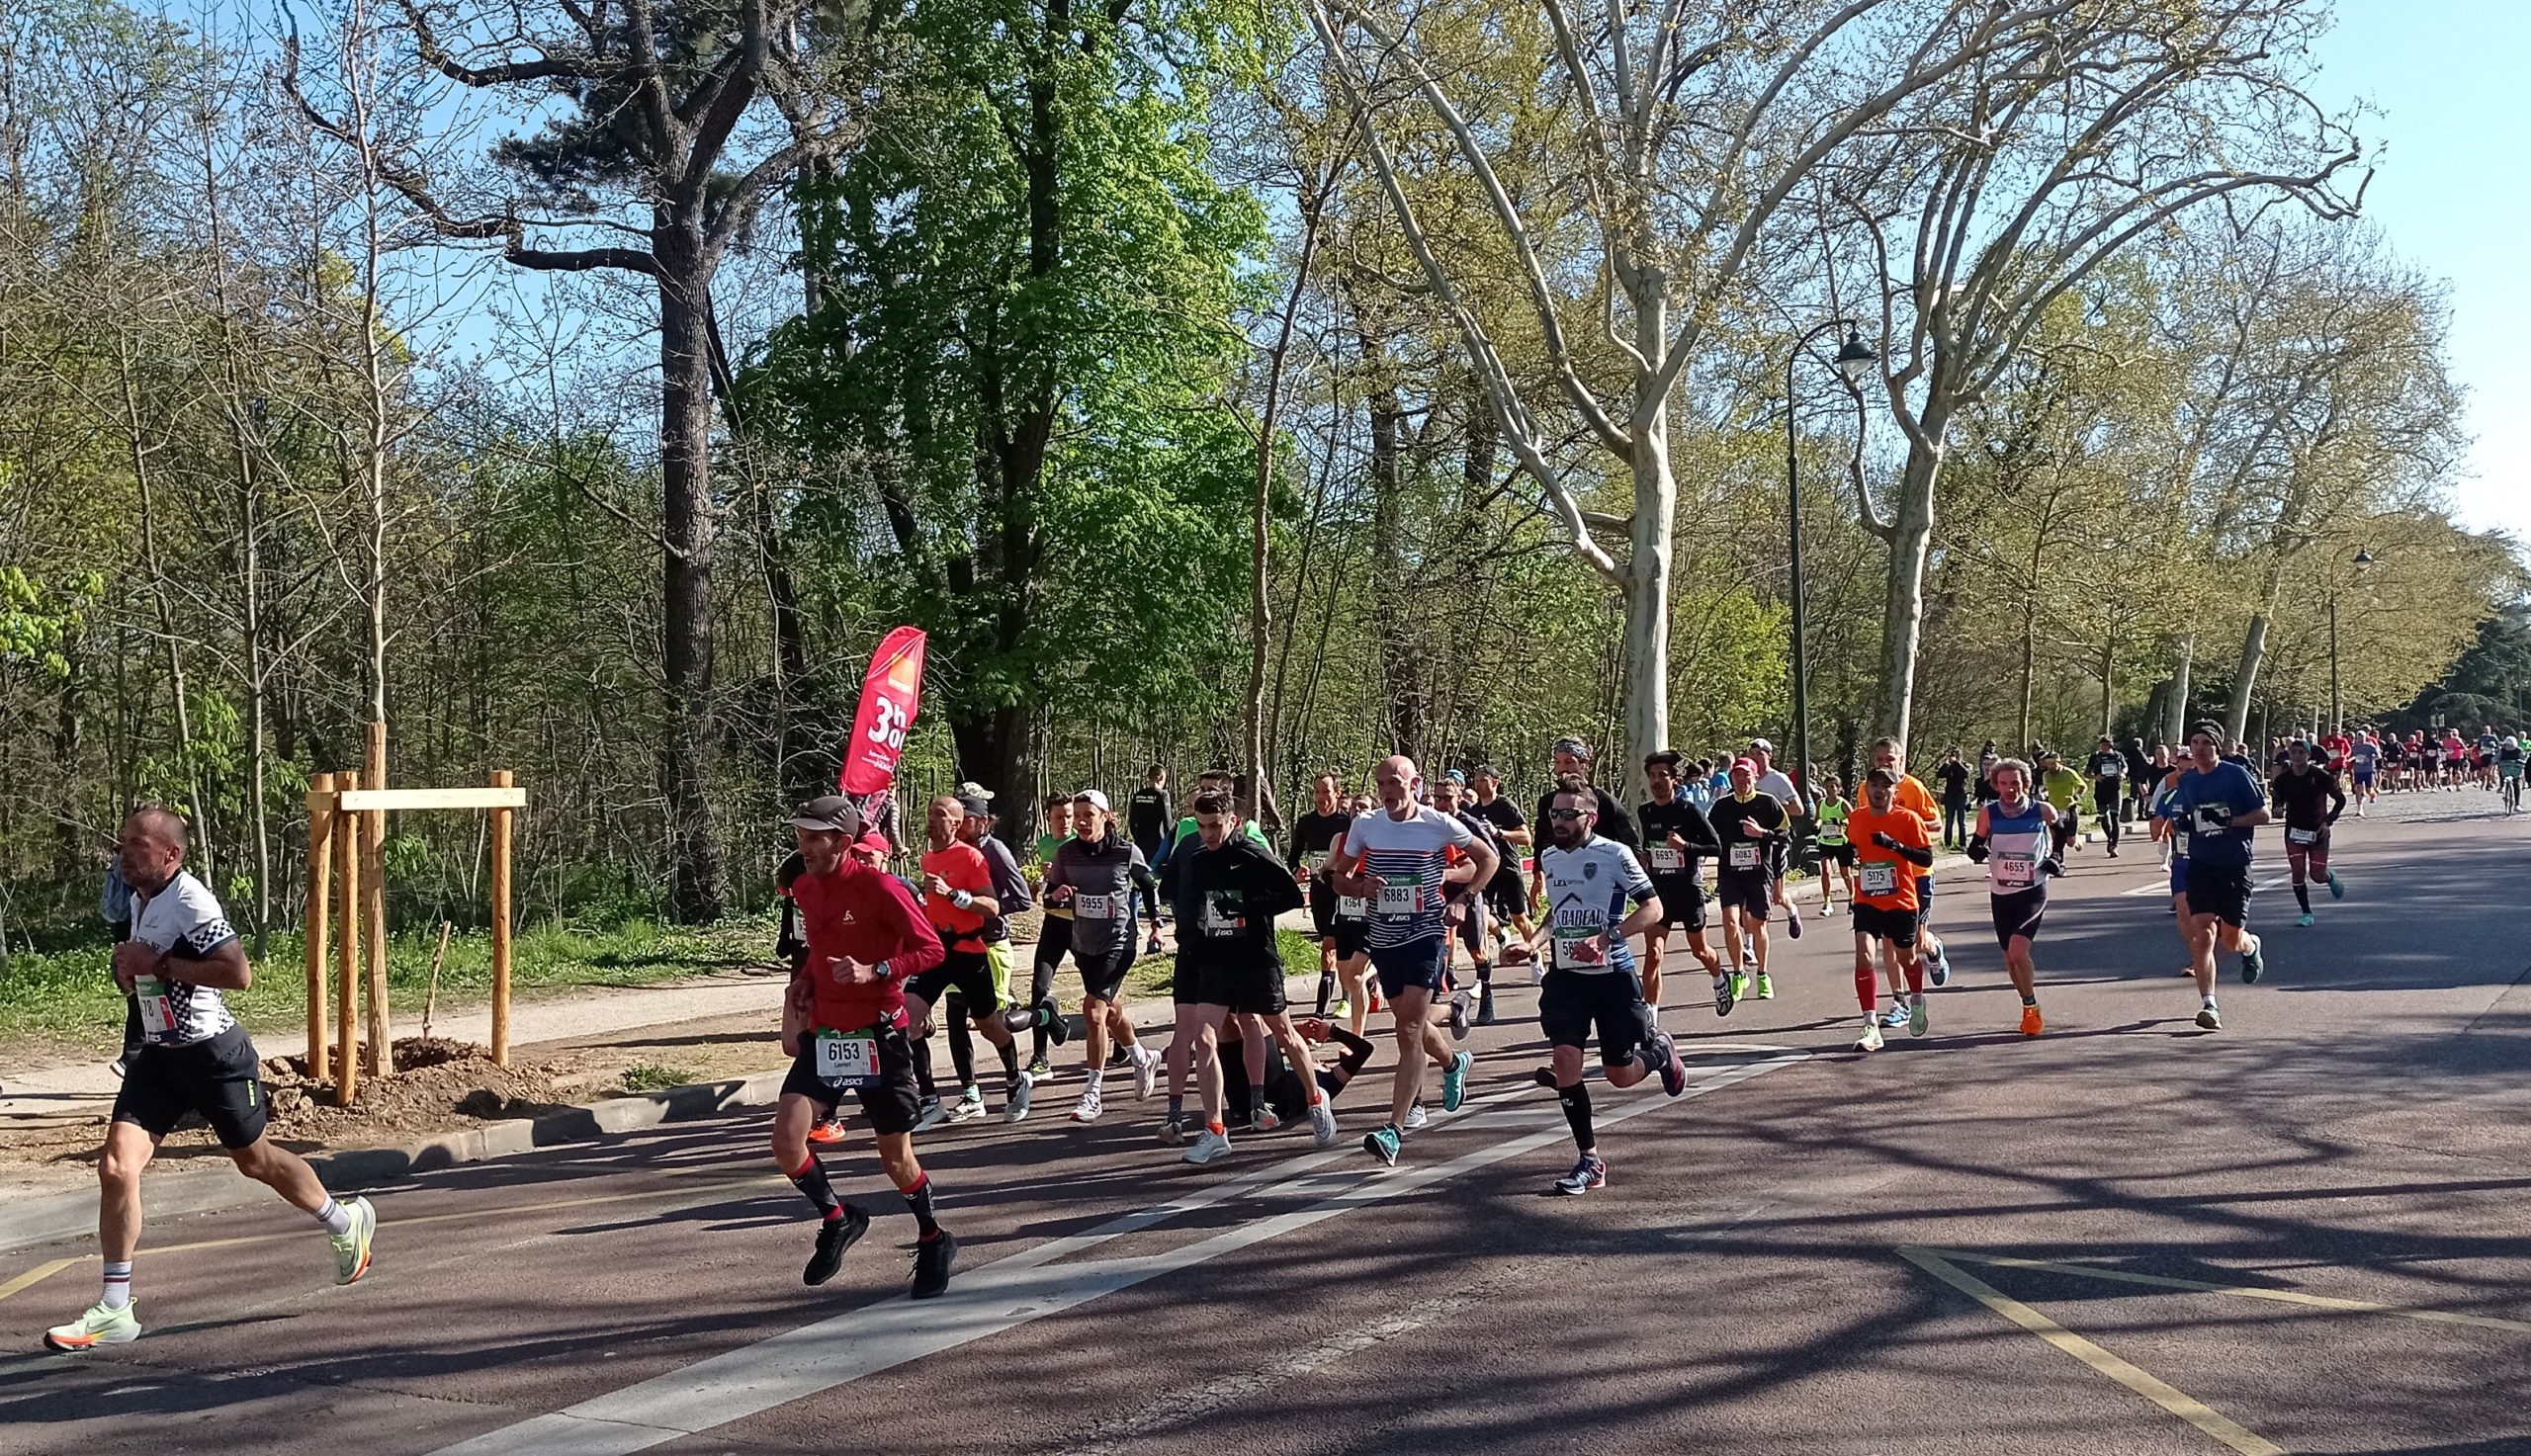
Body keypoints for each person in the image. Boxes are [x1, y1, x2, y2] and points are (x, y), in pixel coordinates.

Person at [44, 807, 379, 1352]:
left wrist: (163, 965)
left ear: (170, 855)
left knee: (256, 1161)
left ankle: (344, 1222)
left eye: (137, 844)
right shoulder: (139, 897)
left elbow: (237, 973)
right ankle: (114, 1309)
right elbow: (139, 974)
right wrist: (127, 970)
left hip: (214, 1057)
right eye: (122, 842)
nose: (123, 853)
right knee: (115, 1165)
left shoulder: (191, 901)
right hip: (158, 1055)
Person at [772, 796, 957, 1298]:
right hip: (828, 1033)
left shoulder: (880, 887)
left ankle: (934, 1237)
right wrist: (805, 983)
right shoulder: (806, 889)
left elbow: (932, 950)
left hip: (880, 1035)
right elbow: (817, 950)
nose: (803, 846)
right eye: (800, 835)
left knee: (895, 1158)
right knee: (787, 1141)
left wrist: (874, 970)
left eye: (814, 837)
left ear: (843, 843)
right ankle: (838, 1218)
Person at [1332, 754, 1495, 1166]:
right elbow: (1338, 877)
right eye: (1381, 783)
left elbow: (1487, 859)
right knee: (1411, 1021)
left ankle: (1394, 1129)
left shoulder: (1437, 824)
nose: (1387, 791)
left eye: (1395, 783)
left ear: (1414, 783)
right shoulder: (1366, 825)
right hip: (1384, 937)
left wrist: (1464, 898)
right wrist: (1360, 887)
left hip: (1425, 935)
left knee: (1406, 1029)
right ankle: (1453, 1060)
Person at [1530, 777, 1686, 1194]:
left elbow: (1653, 907)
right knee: (1565, 1060)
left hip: (1612, 976)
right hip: (1566, 978)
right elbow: (1556, 914)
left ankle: (1659, 1053)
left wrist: (1609, 937)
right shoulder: (1549, 857)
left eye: (1568, 814)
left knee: (1620, 1074)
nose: (1558, 822)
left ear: (1591, 817)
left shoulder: (1614, 854)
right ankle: (1589, 1160)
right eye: (1554, 814)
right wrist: (1532, 942)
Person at [1164, 792, 1336, 1161]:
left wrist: (1244, 905)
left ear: (1233, 821)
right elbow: (1192, 905)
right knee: (1204, 1036)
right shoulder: (1197, 858)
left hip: (1257, 959)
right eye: (1201, 825)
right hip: (1216, 961)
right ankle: (1214, 1130)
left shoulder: (1252, 854)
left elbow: (1291, 895)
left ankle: (1315, 1098)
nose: (1208, 834)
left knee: (1286, 1035)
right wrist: (1190, 938)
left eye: (1215, 826)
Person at [1039, 791, 1163, 1122]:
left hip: (1120, 943)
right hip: (1085, 943)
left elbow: (1148, 885)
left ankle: (1092, 1093)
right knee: (1108, 1009)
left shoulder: (1125, 852)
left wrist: (1156, 925)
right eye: (1076, 815)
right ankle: (1141, 1056)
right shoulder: (1067, 854)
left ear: (1106, 817)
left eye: (1087, 815)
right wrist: (1057, 894)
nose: (1080, 821)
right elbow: (1048, 900)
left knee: (1093, 1012)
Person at [910, 795, 1032, 1127]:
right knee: (908, 1019)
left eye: (939, 814)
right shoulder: (927, 858)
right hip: (937, 951)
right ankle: (930, 1100)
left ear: (955, 822)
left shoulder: (971, 857)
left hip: (968, 952)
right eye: (929, 813)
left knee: (988, 1024)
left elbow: (991, 907)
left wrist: (954, 894)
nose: (931, 819)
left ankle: (1016, 1079)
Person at [2160, 722, 2273, 1030]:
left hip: (2234, 865)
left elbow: (2264, 814)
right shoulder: (2188, 781)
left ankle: (2251, 947)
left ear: (2217, 747)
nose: (2198, 748)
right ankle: (2209, 1004)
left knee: (2231, 939)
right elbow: (2182, 815)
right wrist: (2179, 822)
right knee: (2203, 935)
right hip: (2200, 866)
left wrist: (2231, 821)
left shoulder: (2235, 775)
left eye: (2205, 742)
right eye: (2194, 742)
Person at [1844, 770, 1937, 1051]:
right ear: (1867, 789)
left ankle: (1917, 998)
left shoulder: (1908, 819)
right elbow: (1850, 847)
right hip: (1867, 900)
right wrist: (1846, 853)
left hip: (1901, 901)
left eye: (1886, 786)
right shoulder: (1857, 818)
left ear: (1895, 792)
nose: (1879, 790)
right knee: (1864, 956)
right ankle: (1870, 1024)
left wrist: (1894, 845)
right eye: (1874, 785)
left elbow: (1926, 857)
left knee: (1906, 958)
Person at [1966, 758, 2060, 1037]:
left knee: (2019, 952)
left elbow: (2060, 829)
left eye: (2015, 783)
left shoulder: (2041, 810)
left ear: (2026, 784)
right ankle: (2027, 1005)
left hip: (2032, 889)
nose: (2010, 789)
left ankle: (2031, 1006)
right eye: (2004, 783)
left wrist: (2056, 857)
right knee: (2009, 959)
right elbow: (1976, 843)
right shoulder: (1988, 813)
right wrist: (1976, 852)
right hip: (2001, 891)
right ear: (1995, 785)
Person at [1635, 750, 1723, 1017]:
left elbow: (1716, 847)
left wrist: (1686, 846)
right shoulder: (1645, 812)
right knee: (1654, 953)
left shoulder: (1689, 810)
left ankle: (1720, 978)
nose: (1656, 781)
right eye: (1652, 776)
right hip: (1659, 892)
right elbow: (1649, 845)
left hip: (1687, 891)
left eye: (1662, 775)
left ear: (1675, 780)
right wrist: (1645, 856)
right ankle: (1650, 1015)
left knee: (1700, 950)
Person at [1866, 737, 1954, 989]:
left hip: (1917, 873)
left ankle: (1934, 948)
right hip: (1885, 874)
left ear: (1901, 761)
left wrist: (1907, 826)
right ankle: (1899, 1001)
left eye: (1890, 759)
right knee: (1889, 941)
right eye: (1880, 759)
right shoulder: (1866, 788)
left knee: (1915, 941)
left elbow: (1936, 823)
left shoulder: (1914, 788)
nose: (1885, 764)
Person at [1704, 758, 1789, 1007]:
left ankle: (1763, 974)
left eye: (1747, 776)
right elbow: (1708, 834)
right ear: (1732, 779)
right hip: (1730, 873)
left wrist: (1762, 833)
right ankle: (1739, 973)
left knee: (1757, 925)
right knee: (1730, 921)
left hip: (1758, 873)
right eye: (1737, 777)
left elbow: (1786, 835)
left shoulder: (1768, 803)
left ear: (1755, 778)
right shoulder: (1721, 806)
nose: (1742, 781)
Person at [1430, 777, 1504, 1034]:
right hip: (1435, 894)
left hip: (1468, 892)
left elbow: (1491, 860)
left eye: (1446, 798)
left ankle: (1486, 993)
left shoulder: (1468, 824)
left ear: (1459, 796)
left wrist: (1466, 890)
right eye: (1437, 798)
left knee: (1475, 949)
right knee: (1437, 945)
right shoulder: (1428, 822)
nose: (1441, 803)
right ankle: (1434, 997)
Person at [1288, 773, 1358, 1019]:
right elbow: (1293, 855)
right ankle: (1367, 985)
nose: (1320, 797)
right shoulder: (1306, 822)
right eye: (1316, 791)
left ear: (1337, 794)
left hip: (1344, 893)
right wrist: (1298, 869)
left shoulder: (1346, 823)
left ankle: (1342, 1001)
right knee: (1330, 944)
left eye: (1325, 792)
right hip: (1319, 894)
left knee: (1332, 946)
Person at [1468, 765, 1533, 1021]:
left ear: (1495, 782)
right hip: (1485, 871)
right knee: (1481, 915)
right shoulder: (1473, 812)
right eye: (1476, 779)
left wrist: (1500, 833)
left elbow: (1526, 837)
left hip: (1507, 867)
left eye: (1483, 779)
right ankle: (1482, 977)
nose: (1478, 783)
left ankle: (1536, 958)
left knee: (1519, 917)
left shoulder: (1505, 805)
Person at [2269, 741, 2346, 927]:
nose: (2297, 756)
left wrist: (2329, 819)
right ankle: (2306, 913)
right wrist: (2277, 810)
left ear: (2309, 755)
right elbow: (2277, 803)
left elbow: (2340, 800)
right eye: (2293, 752)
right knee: (2298, 871)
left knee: (2316, 875)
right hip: (2294, 831)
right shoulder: (2282, 779)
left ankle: (2329, 877)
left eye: (2301, 752)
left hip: (2318, 831)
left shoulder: (2320, 776)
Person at [1745, 737, 1804, 939]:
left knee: (1777, 897)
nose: (1755, 758)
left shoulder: (1778, 779)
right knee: (1750, 895)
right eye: (1751, 754)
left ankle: (1792, 911)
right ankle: (1750, 943)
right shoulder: (1745, 779)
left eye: (1759, 754)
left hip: (1776, 840)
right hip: (1752, 843)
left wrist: (1773, 810)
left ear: (1769, 756)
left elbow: (1798, 808)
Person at [1126, 765, 1173, 954]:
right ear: (1161, 777)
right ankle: (1157, 924)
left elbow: (1131, 821)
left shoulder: (1138, 795)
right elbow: (1168, 823)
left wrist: (1138, 837)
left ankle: (1133, 922)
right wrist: (1168, 844)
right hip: (1158, 844)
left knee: (1137, 885)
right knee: (1152, 882)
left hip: (1140, 844)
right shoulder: (1162, 795)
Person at [102, 845, 138, 1079]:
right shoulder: (140, 858)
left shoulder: (121, 857)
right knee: (143, 996)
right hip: (134, 927)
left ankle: (132, 1059)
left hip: (122, 928)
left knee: (139, 998)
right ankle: (131, 1058)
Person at [1809, 776, 1856, 915]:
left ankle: (1852, 898)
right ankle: (1827, 902)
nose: (1830, 789)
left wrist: (1843, 822)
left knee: (1845, 874)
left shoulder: (1843, 804)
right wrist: (1817, 825)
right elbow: (1819, 818)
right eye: (1827, 787)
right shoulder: (1820, 803)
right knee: (1825, 870)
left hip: (1841, 842)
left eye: (1833, 786)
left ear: (1839, 789)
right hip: (1826, 842)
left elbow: (1853, 818)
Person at [2085, 735, 2130, 856]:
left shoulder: (2117, 755)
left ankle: (2114, 846)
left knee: (2115, 818)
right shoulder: (2095, 757)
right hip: (2101, 791)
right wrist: (2095, 777)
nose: (2104, 747)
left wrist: (2123, 773)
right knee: (2103, 816)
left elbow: (2125, 767)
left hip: (2115, 789)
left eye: (2107, 745)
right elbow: (2086, 773)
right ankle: (2110, 838)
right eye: (2102, 745)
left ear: (2111, 745)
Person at [2039, 750, 2086, 859]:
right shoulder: (2046, 775)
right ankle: (2059, 861)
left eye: (2054, 763)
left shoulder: (2069, 773)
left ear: (2059, 762)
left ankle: (2075, 838)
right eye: (2049, 764)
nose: (2051, 766)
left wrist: (2075, 797)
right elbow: (2046, 788)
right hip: (2054, 809)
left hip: (2068, 808)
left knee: (2070, 842)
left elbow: (2083, 786)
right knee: (2056, 838)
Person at [1935, 750, 1973, 848]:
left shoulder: (1966, 765)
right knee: (1949, 820)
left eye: (1956, 756)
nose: (1954, 758)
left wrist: (1958, 763)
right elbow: (1939, 775)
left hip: (1961, 795)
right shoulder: (1949, 767)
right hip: (1950, 796)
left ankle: (1962, 843)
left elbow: (1966, 774)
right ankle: (1948, 843)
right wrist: (1946, 763)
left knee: (1962, 821)